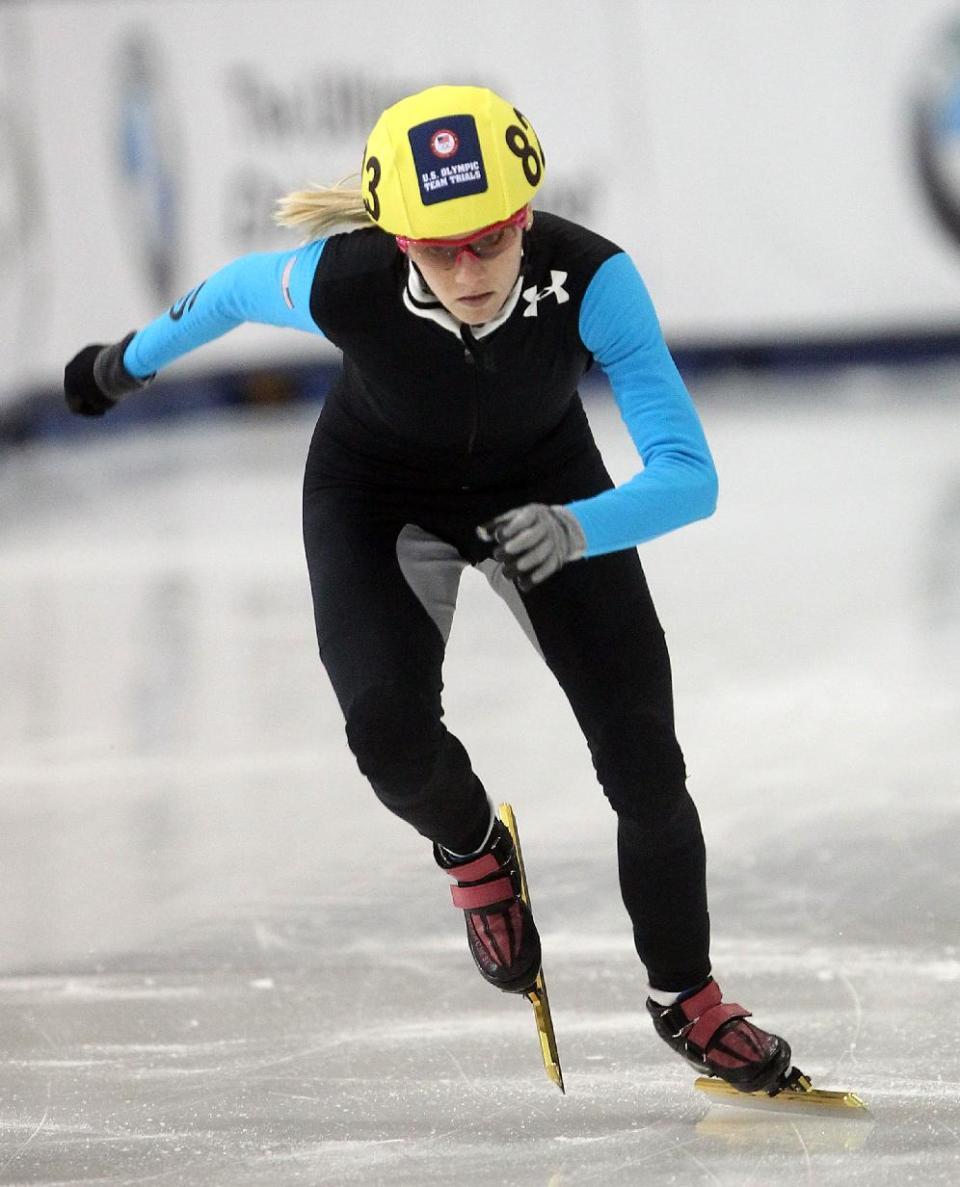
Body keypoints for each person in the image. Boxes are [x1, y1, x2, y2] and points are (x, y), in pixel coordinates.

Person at [64, 84, 795, 1095]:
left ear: (526, 217)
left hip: (549, 493)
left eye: (490, 241)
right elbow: (231, 292)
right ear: (399, 239)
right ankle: (472, 848)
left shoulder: (595, 280)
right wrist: (118, 365)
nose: (470, 269)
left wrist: (578, 525)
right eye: (439, 247)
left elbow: (689, 474)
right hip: (377, 493)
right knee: (387, 737)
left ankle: (690, 996)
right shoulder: (347, 279)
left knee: (647, 767)